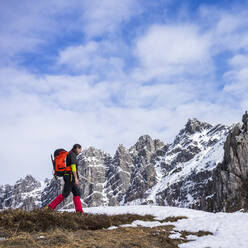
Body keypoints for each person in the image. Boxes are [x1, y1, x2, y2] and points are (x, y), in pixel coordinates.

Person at [46, 144, 83, 213]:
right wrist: (76, 178)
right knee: (65, 194)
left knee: (77, 193)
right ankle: (50, 207)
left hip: (68, 176)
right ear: (77, 148)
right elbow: (73, 167)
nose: (80, 151)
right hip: (70, 176)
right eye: (80, 149)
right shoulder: (72, 155)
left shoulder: (69, 154)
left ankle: (79, 211)